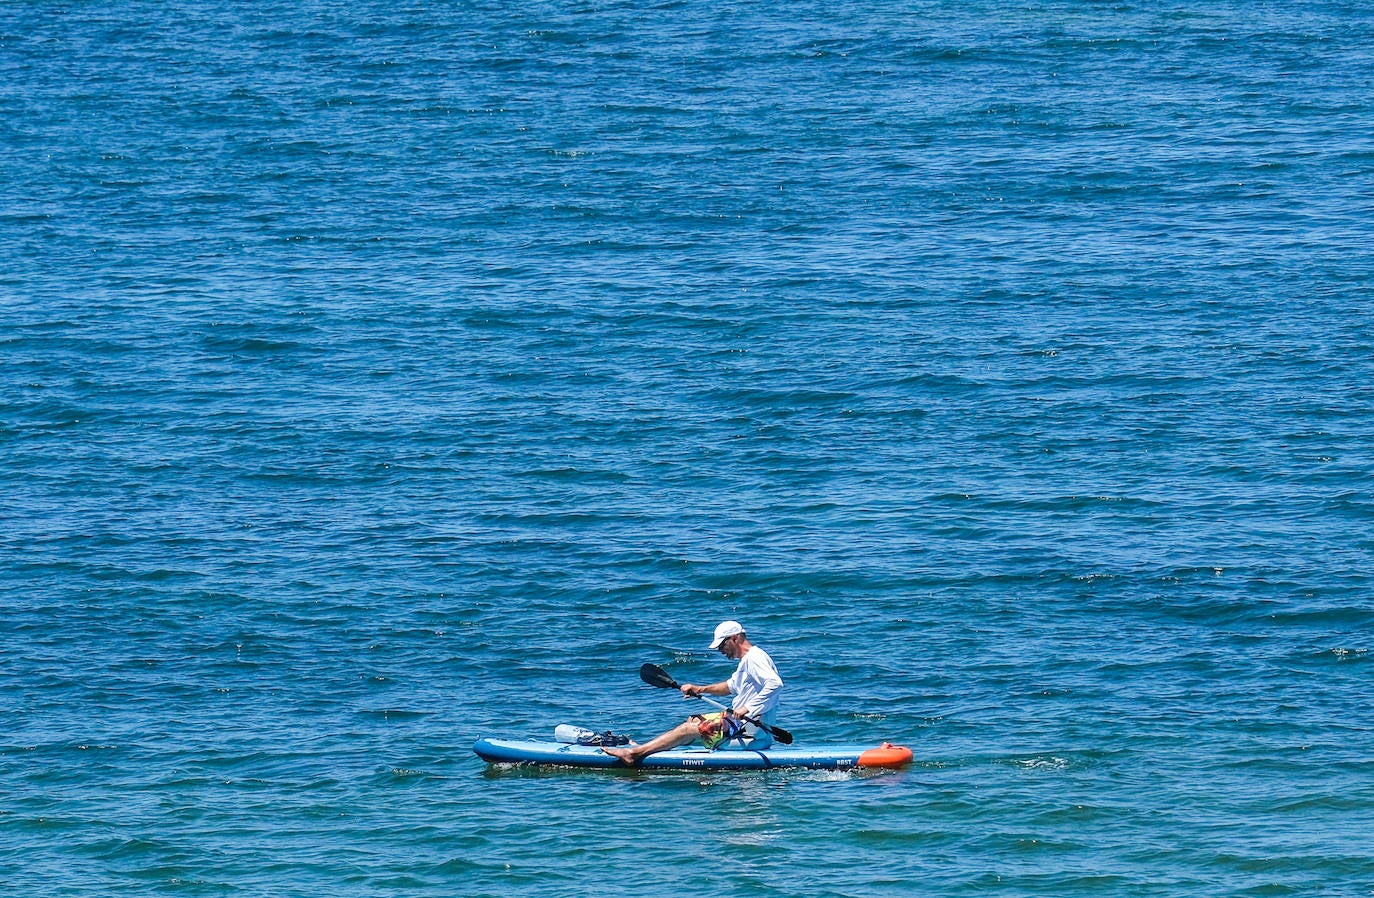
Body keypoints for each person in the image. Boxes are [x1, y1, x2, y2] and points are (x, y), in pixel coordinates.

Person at [603, 620, 783, 766]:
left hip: (750, 735)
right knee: (694, 721)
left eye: (722, 645)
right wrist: (700, 689)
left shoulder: (755, 658)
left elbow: (775, 684)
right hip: (741, 727)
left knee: (686, 729)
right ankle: (651, 749)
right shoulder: (747, 661)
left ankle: (633, 754)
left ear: (734, 638)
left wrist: (748, 707)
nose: (720, 651)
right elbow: (730, 686)